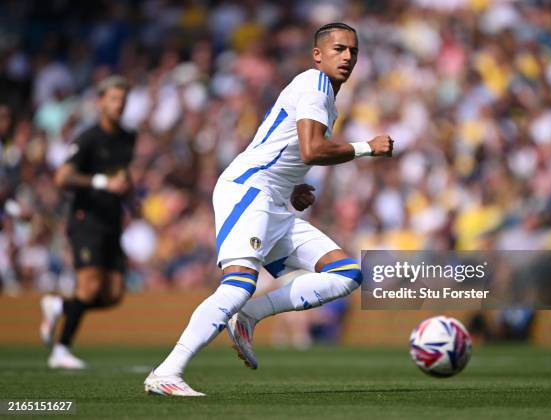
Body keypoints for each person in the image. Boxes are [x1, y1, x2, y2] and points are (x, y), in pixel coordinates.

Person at [144, 22, 393, 396]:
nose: (347, 57)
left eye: (353, 51)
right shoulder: (316, 84)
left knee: (346, 273)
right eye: (339, 49)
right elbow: (311, 150)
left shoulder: (326, 97)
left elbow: (285, 149)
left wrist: (293, 188)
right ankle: (167, 372)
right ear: (317, 55)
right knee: (240, 283)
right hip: (249, 189)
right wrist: (366, 147)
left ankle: (250, 316)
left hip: (273, 198)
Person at [39, 76, 135, 369]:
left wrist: (130, 196)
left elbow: (123, 176)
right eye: (114, 99)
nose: (119, 105)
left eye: (123, 99)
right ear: (100, 102)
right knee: (90, 286)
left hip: (112, 220)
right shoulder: (88, 138)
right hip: (87, 219)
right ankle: (61, 350)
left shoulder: (128, 137)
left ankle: (59, 306)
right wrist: (103, 182)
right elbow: (62, 177)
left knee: (114, 294)